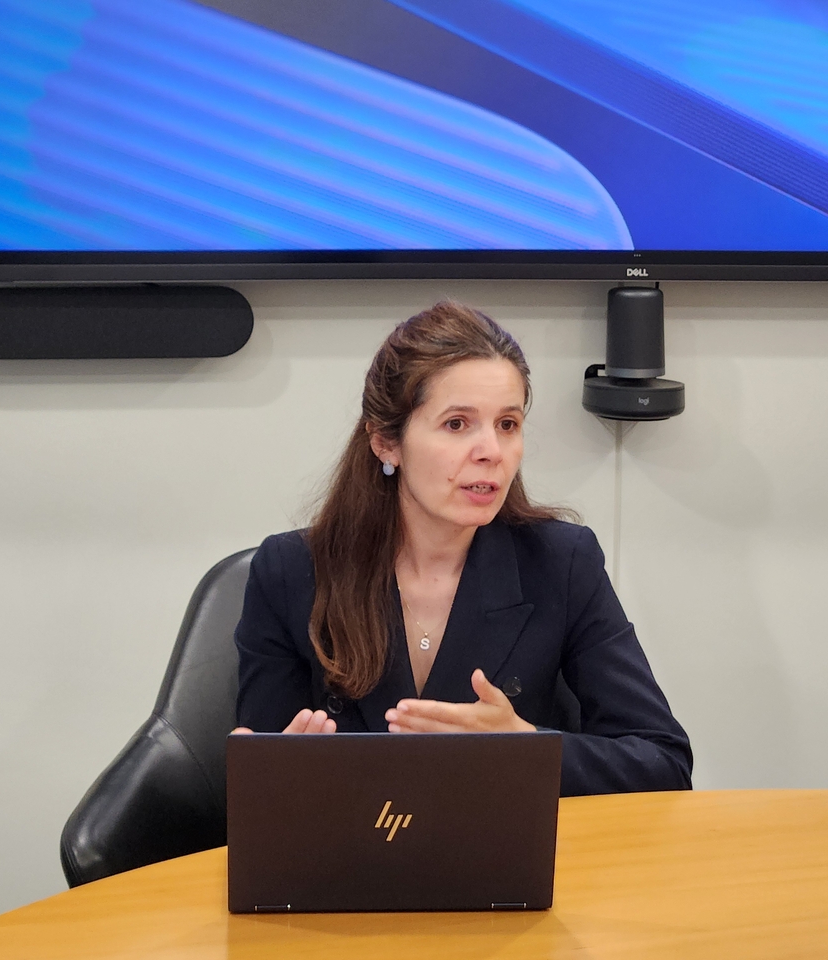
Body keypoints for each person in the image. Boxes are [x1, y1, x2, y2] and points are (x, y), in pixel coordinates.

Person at [234, 301, 692, 795]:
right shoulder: (290, 571)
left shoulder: (562, 562)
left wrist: (525, 747)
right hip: (350, 841)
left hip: (504, 841)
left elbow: (663, 762)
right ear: (386, 443)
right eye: (457, 424)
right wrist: (270, 779)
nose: (491, 452)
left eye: (507, 424)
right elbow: (256, 782)